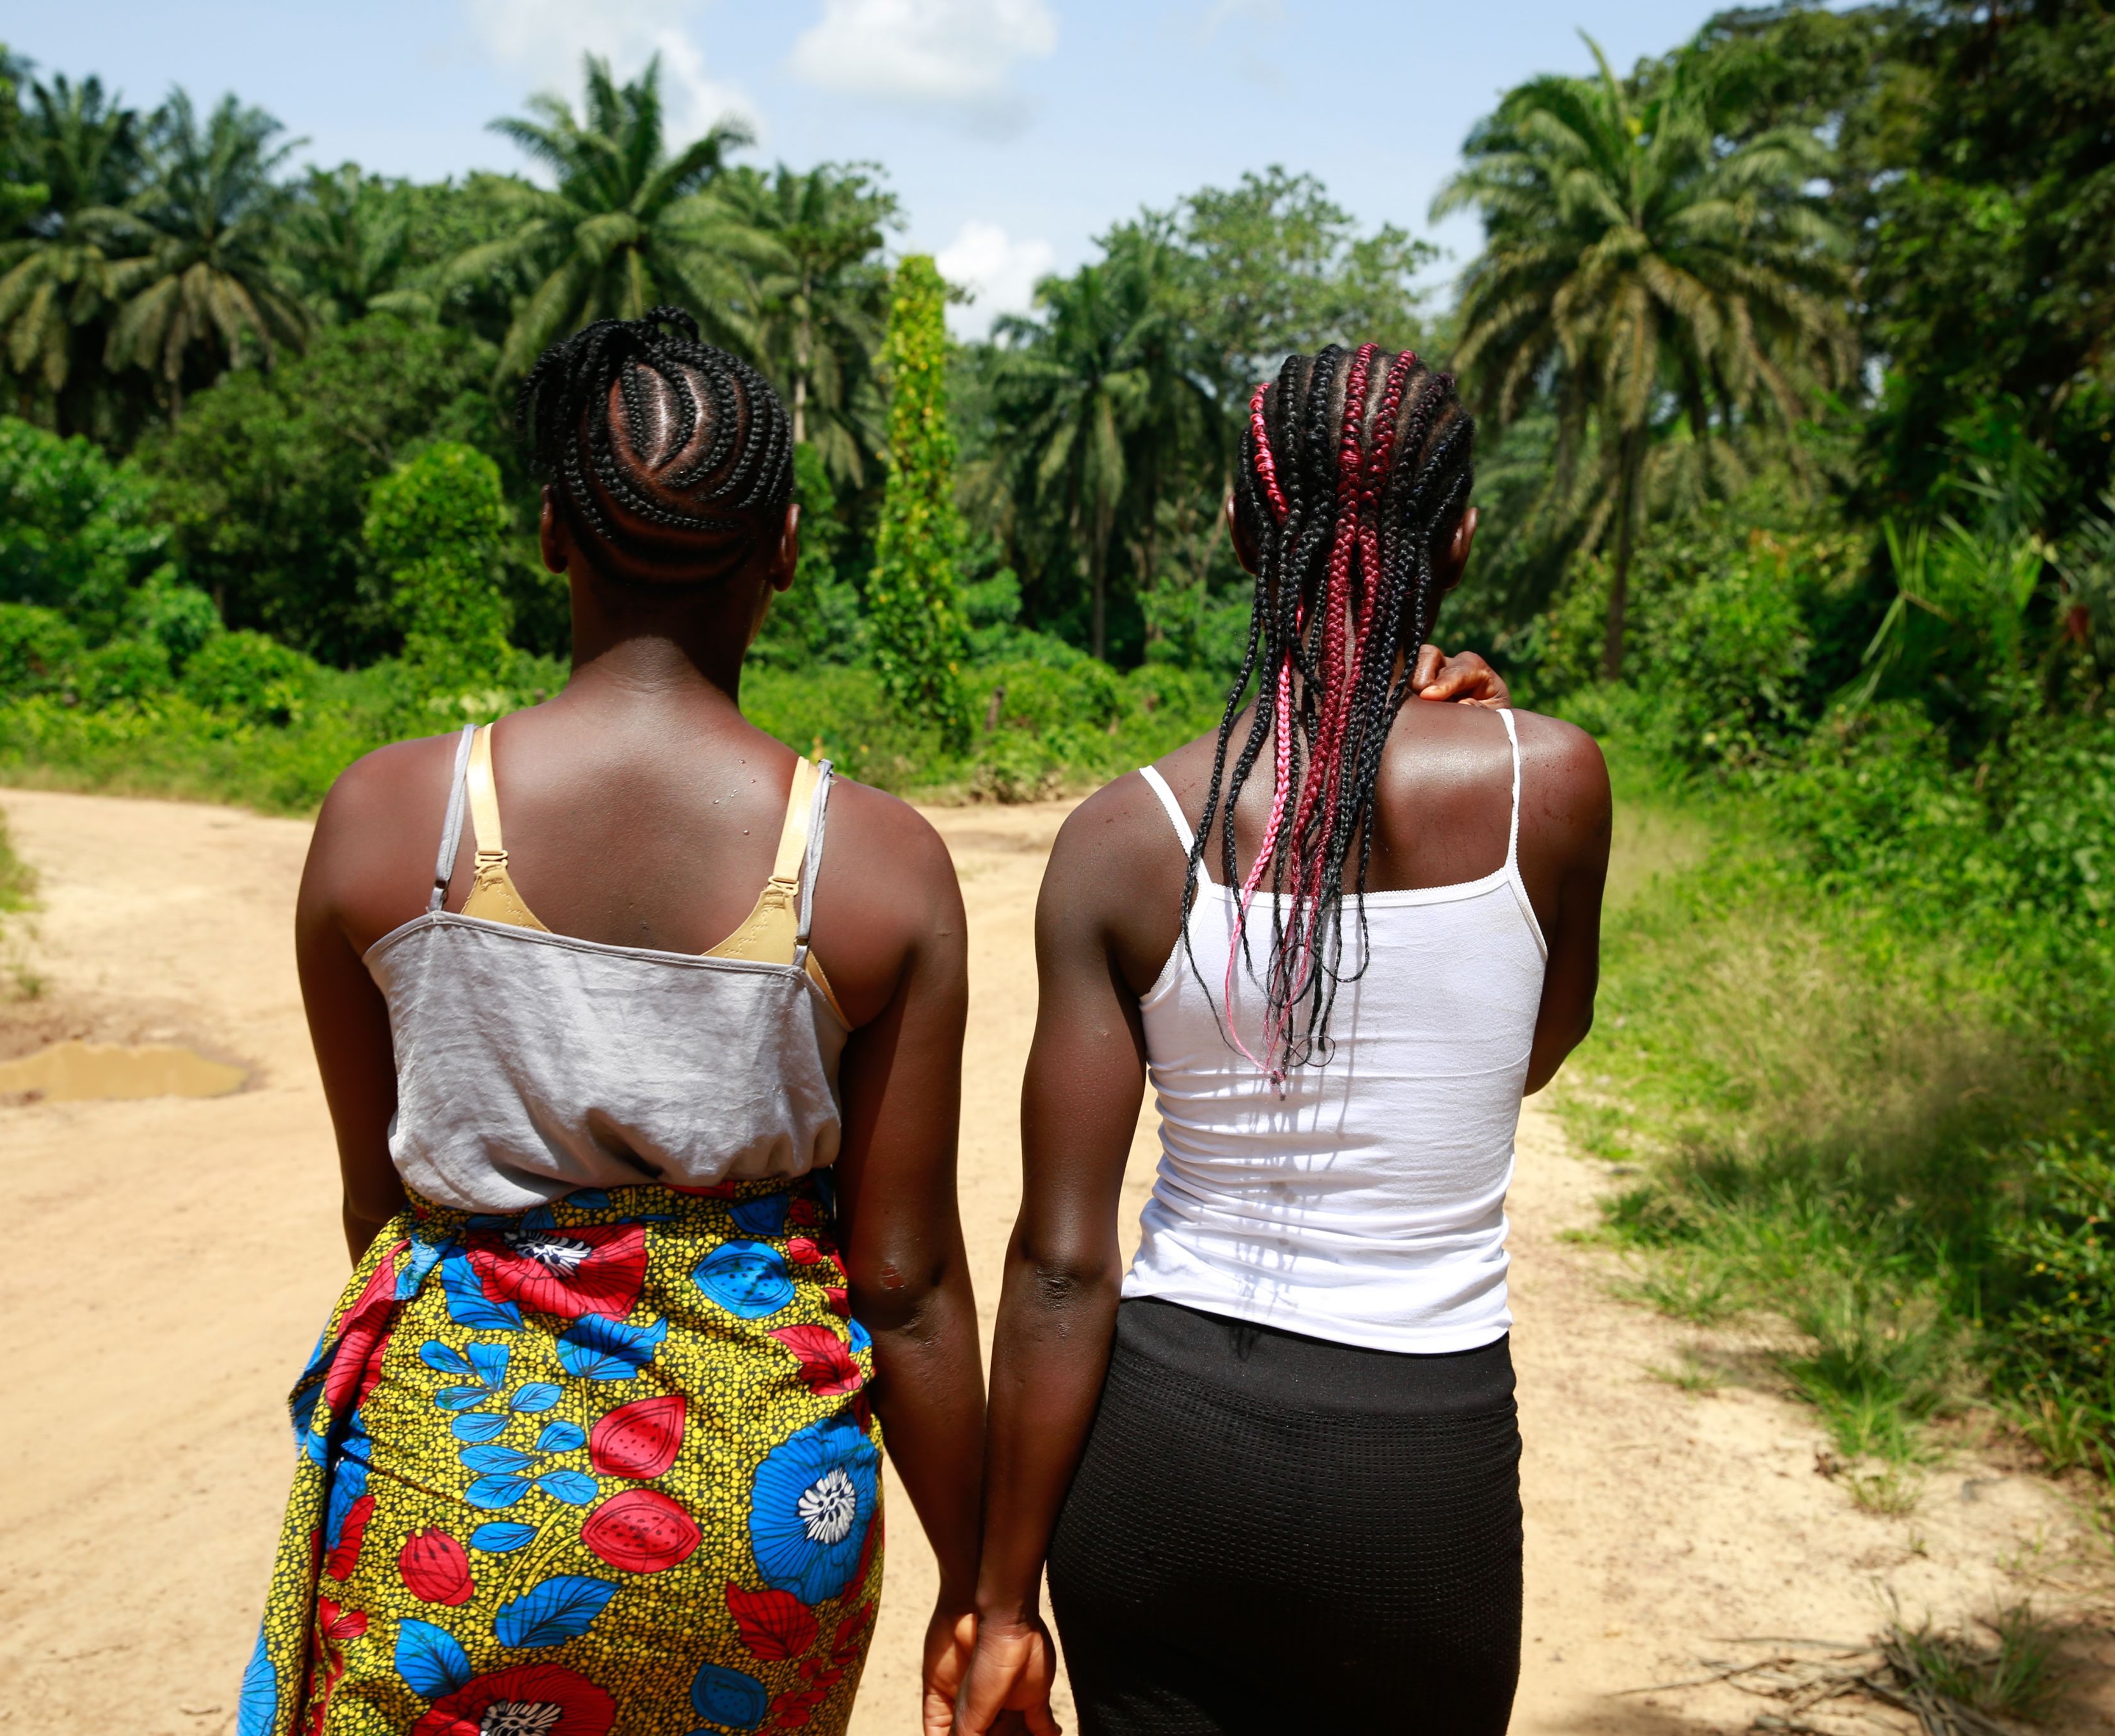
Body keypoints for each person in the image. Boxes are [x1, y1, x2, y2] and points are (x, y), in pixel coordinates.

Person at [240, 308, 986, 1736]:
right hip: (762, 1524)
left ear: (546, 534)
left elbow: (378, 1205)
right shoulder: (877, 866)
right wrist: (985, 1584)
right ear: (780, 545)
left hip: (456, 1499)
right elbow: (906, 1287)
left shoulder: (392, 820)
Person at [958, 344, 1612, 1735]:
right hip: (1412, 1481)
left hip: (1161, 1463)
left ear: (1241, 531)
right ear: (1461, 534)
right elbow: (1526, 1054)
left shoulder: (1123, 836)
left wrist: (1001, 1606)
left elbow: (1061, 1266)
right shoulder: (1546, 786)